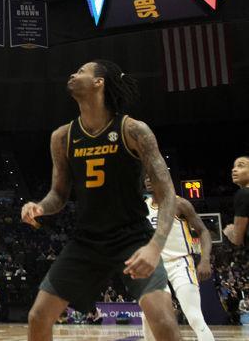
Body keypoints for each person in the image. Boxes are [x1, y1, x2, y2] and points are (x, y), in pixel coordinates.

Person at [21, 60, 181, 341]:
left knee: (165, 322)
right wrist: (40, 207)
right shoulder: (62, 137)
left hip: (132, 238)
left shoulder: (134, 130)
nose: (73, 74)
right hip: (86, 241)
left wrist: (155, 247)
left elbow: (167, 194)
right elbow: (59, 195)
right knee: (38, 317)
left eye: (81, 71)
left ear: (99, 82)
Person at [144, 175, 214, 340]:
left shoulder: (180, 204)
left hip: (180, 263)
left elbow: (203, 231)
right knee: (147, 317)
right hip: (154, 266)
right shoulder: (142, 206)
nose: (147, 179)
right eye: (145, 177)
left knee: (194, 317)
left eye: (152, 176)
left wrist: (205, 260)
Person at [223, 156, 249, 246]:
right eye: (234, 166)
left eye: (240, 166)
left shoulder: (243, 193)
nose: (234, 170)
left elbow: (237, 240)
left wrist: (230, 232)